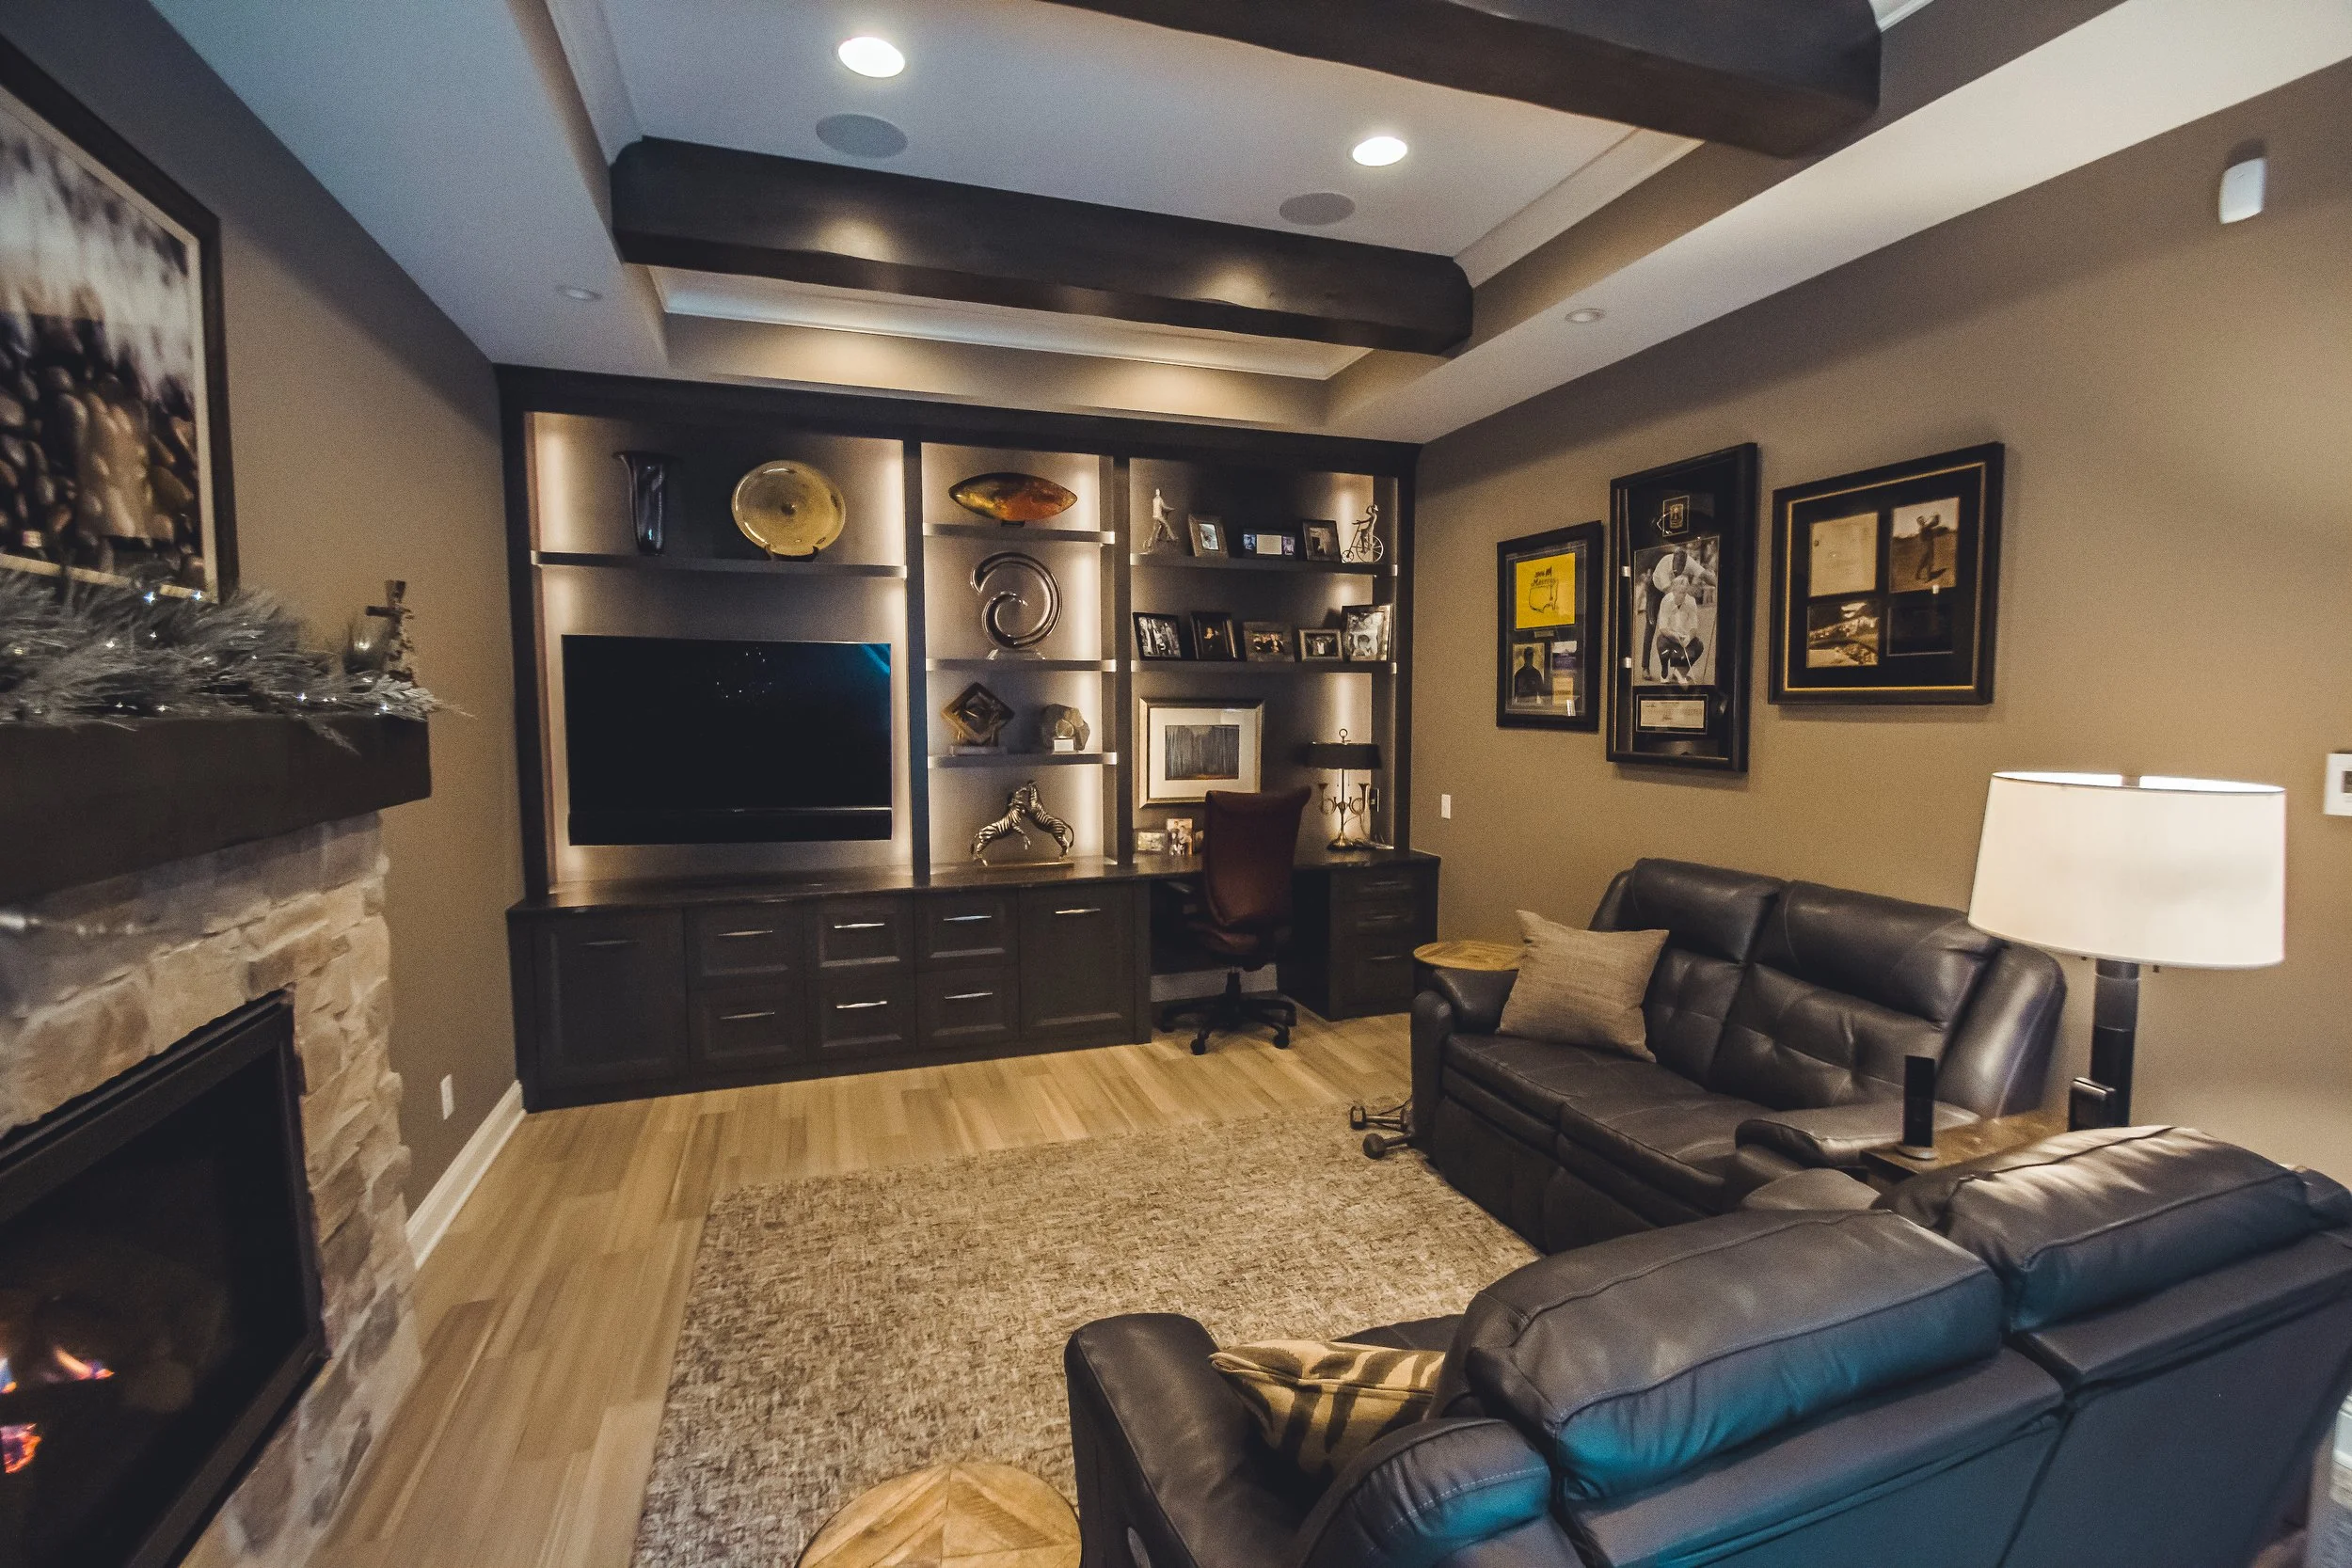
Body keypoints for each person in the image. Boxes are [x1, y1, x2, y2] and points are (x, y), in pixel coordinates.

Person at [1641, 541, 1717, 679]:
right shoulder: (1664, 564)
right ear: (1673, 562)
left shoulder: (1690, 563)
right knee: (1651, 623)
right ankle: (1645, 667)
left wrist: (1719, 584)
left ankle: (1678, 669)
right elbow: (1670, 594)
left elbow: (1705, 576)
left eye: (1681, 568)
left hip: (1677, 590)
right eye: (1676, 569)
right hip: (1656, 589)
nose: (1679, 571)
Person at [1653, 574, 1708, 686]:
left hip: (1684, 637)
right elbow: (1663, 628)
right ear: (1673, 591)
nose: (1682, 595)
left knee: (1699, 645)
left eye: (1684, 592)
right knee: (1661, 643)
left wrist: (1688, 638)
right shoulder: (1666, 601)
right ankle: (1664, 672)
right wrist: (1675, 637)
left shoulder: (1691, 601)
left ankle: (1679, 672)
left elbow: (1694, 626)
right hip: (1670, 636)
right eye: (1680, 592)